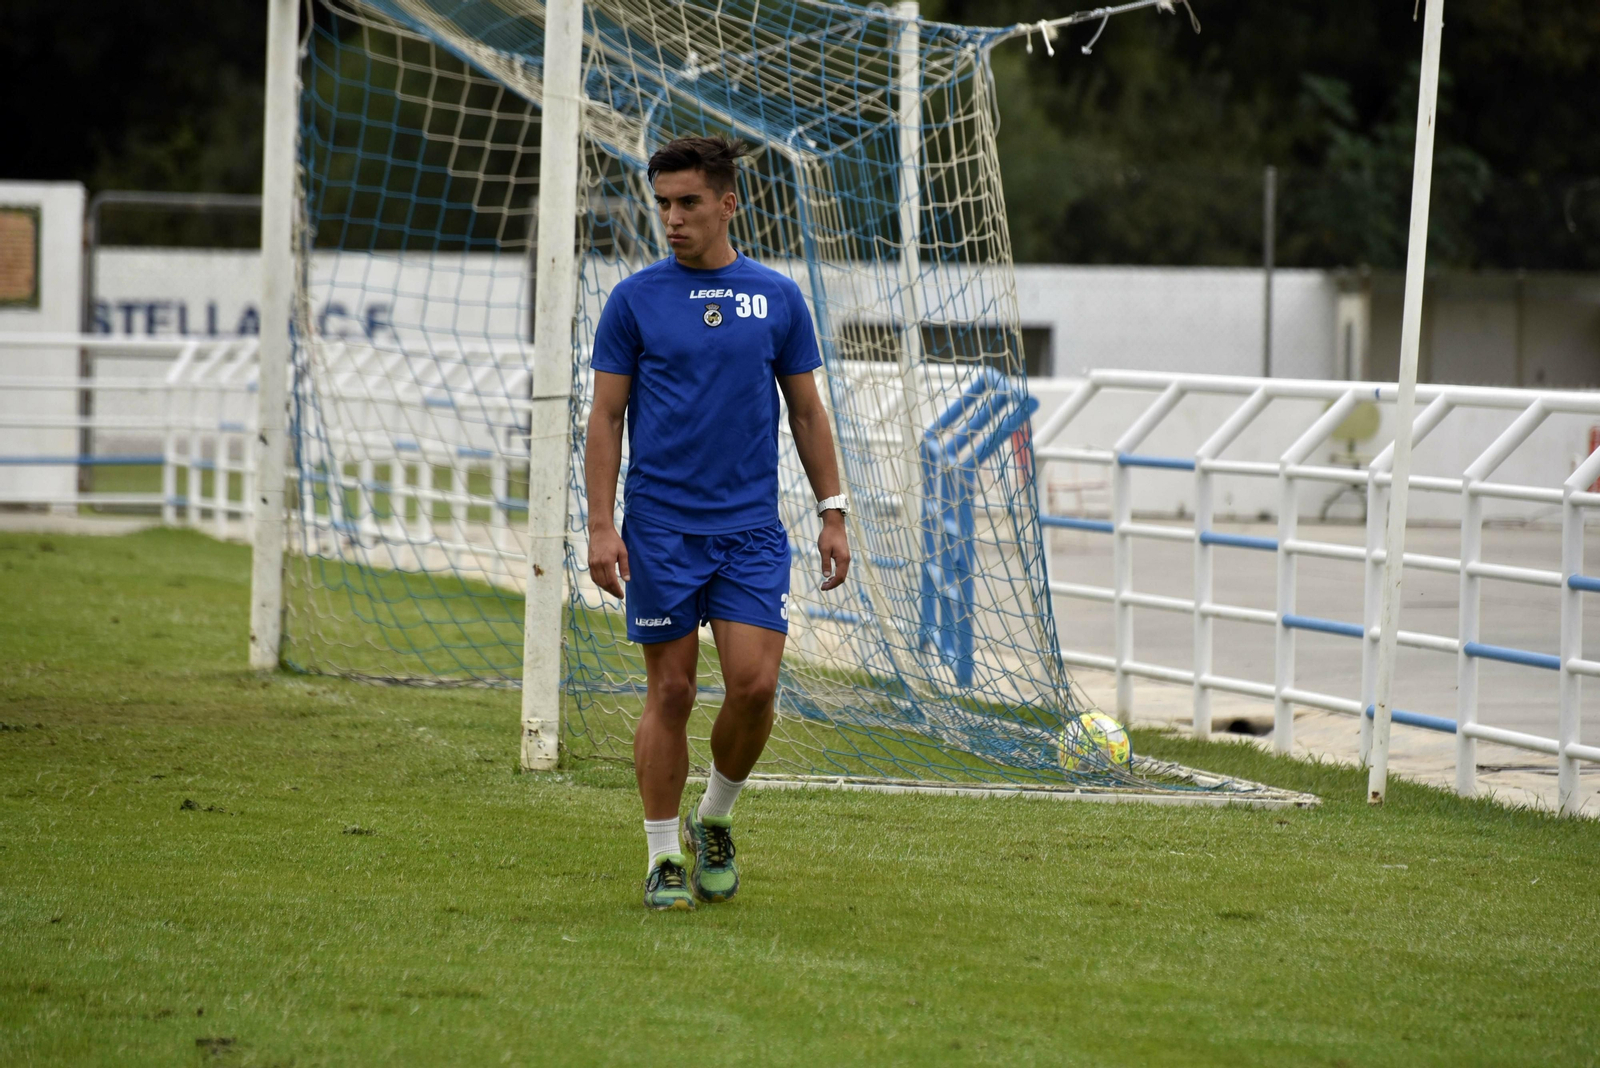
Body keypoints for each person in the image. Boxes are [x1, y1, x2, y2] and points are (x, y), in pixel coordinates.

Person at [585, 135, 851, 910]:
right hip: (662, 531)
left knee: (756, 686)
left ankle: (716, 819)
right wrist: (603, 527)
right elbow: (605, 419)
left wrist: (833, 512)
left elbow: (805, 411)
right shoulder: (634, 300)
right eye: (663, 203)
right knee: (670, 692)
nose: (672, 218)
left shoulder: (777, 297)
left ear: (728, 203)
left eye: (689, 203)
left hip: (750, 531)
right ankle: (664, 855)